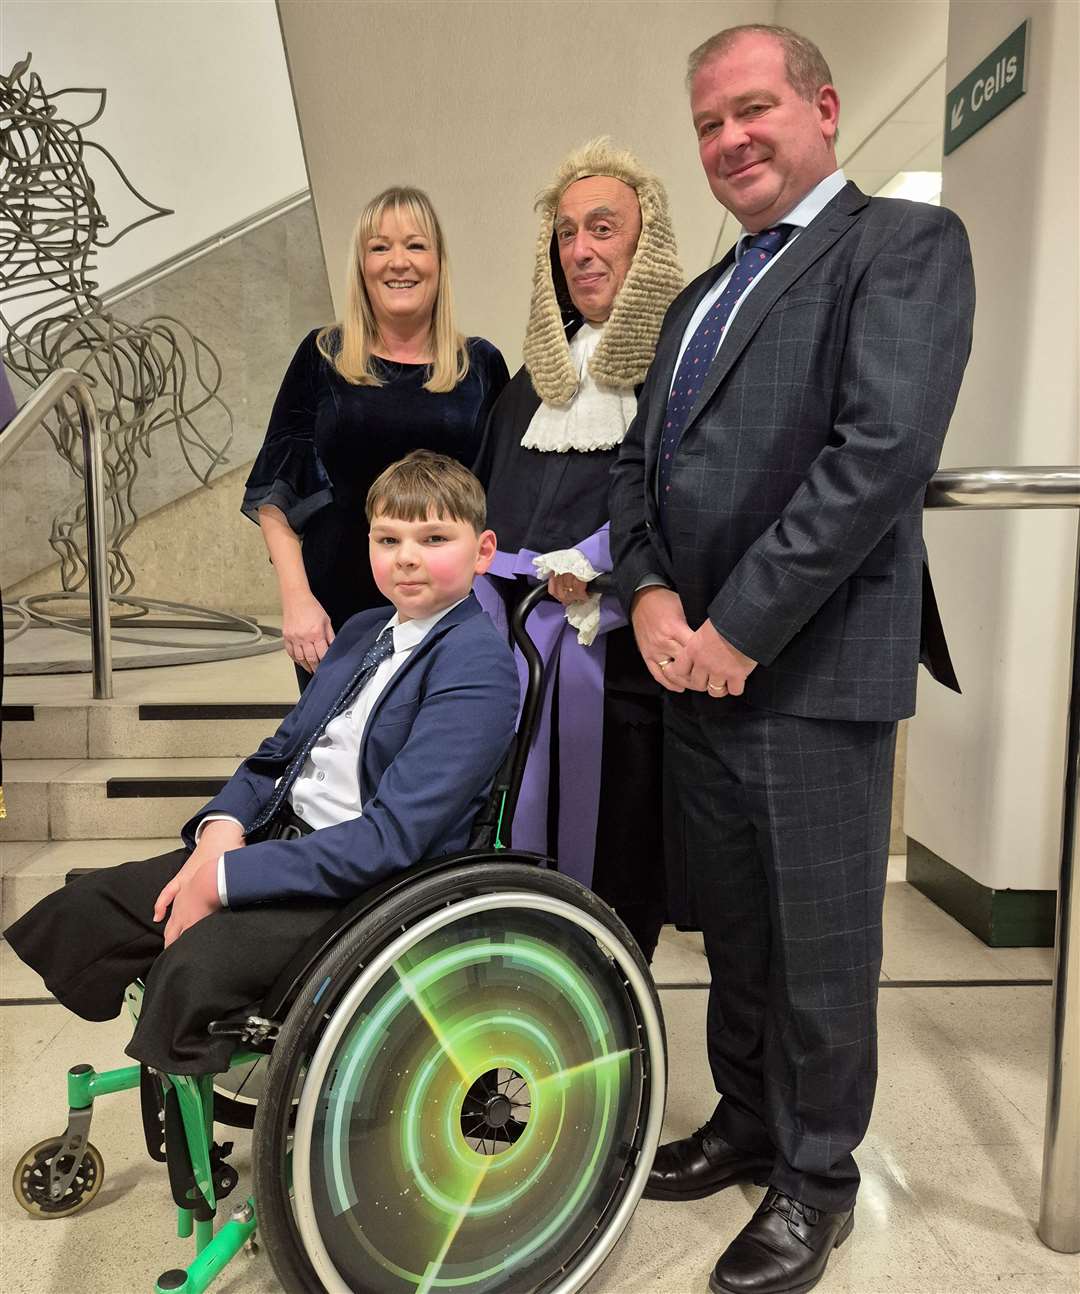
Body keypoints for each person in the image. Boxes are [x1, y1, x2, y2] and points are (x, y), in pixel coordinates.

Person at [609, 24, 974, 1294]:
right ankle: (751, 1120)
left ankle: (818, 1177)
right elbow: (635, 467)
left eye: (752, 110)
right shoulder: (707, 289)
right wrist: (650, 595)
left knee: (821, 945)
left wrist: (735, 628)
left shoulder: (902, 245)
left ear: (822, 107)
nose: (728, 140)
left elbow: (876, 454)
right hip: (691, 667)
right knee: (740, 938)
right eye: (708, 123)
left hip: (808, 673)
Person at [6, 451, 519, 1076]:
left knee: (193, 968)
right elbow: (279, 755)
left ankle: (196, 1109)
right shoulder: (362, 631)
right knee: (89, 909)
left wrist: (225, 881)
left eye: (433, 538)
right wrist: (220, 831)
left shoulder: (478, 665)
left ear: (482, 550)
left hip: (370, 885)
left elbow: (394, 838)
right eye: (388, 539)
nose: (406, 556)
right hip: (282, 840)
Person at [473, 138, 684, 961]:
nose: (582, 250)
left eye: (603, 228)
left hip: (626, 674)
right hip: (521, 658)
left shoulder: (681, 368)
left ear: (647, 242)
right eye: (566, 234)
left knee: (621, 854)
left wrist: (598, 565)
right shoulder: (529, 383)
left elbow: (689, 500)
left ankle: (612, 1037)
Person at [244, 187, 509, 686]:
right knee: (339, 759)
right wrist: (297, 602)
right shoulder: (322, 356)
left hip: (450, 612)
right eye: (379, 247)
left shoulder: (482, 366)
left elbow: (507, 495)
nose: (398, 262)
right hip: (335, 612)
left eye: (415, 245)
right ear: (361, 264)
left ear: (438, 261)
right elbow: (276, 495)